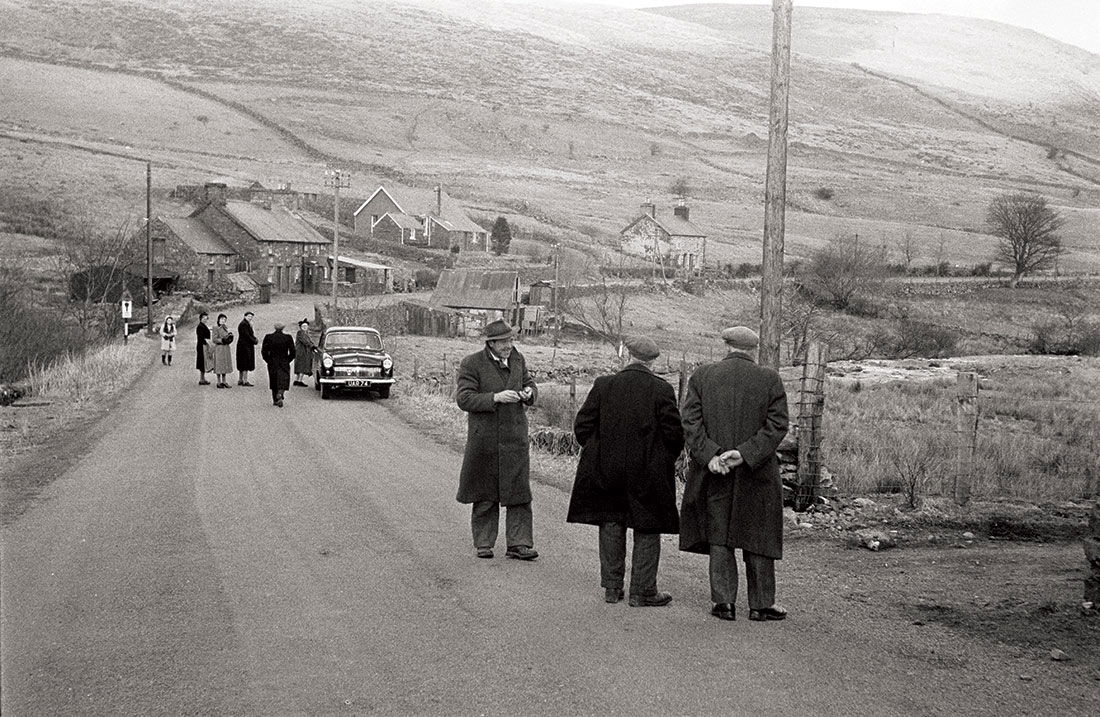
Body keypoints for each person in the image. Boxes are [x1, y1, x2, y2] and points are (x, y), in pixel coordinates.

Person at [679, 326, 790, 622]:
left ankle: (724, 603)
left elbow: (690, 422)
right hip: (757, 471)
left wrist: (711, 455)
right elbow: (777, 425)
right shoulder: (770, 379)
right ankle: (761, 605)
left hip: (714, 472)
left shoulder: (703, 376)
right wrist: (744, 454)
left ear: (726, 345)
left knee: (719, 533)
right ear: (753, 349)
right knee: (758, 535)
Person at [567, 335, 684, 606]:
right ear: (653, 361)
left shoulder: (604, 385)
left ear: (627, 355)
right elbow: (674, 434)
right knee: (647, 525)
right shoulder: (662, 389)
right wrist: (662, 459)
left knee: (610, 522)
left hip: (606, 467)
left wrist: (598, 451)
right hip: (647, 470)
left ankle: (612, 588)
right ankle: (642, 592)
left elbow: (582, 426)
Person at [455, 319, 539, 561]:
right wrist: (496, 397)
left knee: (519, 494)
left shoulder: (517, 359)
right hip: (485, 441)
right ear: (491, 343)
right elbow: (464, 399)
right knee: (485, 493)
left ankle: (519, 544)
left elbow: (529, 384)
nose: (509, 345)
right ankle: (484, 543)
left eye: (511, 340)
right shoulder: (472, 363)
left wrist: (529, 393)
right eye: (504, 341)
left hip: (515, 438)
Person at [261, 322, 295, 407]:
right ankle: (280, 393)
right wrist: (288, 360)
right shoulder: (288, 338)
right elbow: (293, 352)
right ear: (283, 328)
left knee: (274, 379)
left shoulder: (268, 337)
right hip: (284, 361)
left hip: (272, 361)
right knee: (284, 379)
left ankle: (275, 400)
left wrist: (268, 360)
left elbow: (264, 351)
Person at [211, 313, 235, 389]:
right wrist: (222, 340)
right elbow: (214, 339)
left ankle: (224, 381)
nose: (223, 321)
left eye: (224, 319)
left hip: (225, 348)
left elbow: (227, 337)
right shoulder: (215, 328)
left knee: (225, 364)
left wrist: (229, 338)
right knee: (219, 364)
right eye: (222, 319)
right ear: (218, 320)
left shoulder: (225, 327)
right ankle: (219, 382)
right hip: (219, 348)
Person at [236, 311, 258, 386]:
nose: (250, 318)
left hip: (243, 345)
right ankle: (244, 380)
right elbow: (247, 335)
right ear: (245, 316)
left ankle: (240, 379)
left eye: (251, 317)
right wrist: (254, 340)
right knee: (245, 362)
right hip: (245, 345)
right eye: (249, 316)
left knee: (242, 362)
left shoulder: (246, 324)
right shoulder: (244, 324)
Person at [293, 319, 315, 387]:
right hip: (301, 352)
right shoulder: (300, 333)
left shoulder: (305, 333)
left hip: (303, 352)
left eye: (306, 326)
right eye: (303, 326)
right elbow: (305, 341)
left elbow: (309, 341)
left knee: (300, 366)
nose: (305, 328)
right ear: (301, 327)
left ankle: (297, 380)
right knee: (302, 366)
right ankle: (299, 381)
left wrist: (313, 345)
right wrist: (312, 346)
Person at [195, 312, 212, 385]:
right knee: (202, 362)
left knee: (203, 362)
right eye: (204, 318)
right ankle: (201, 379)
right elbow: (201, 337)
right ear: (201, 319)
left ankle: (203, 378)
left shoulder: (203, 326)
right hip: (202, 345)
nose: (206, 320)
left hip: (203, 345)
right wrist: (208, 343)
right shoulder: (200, 326)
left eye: (206, 318)